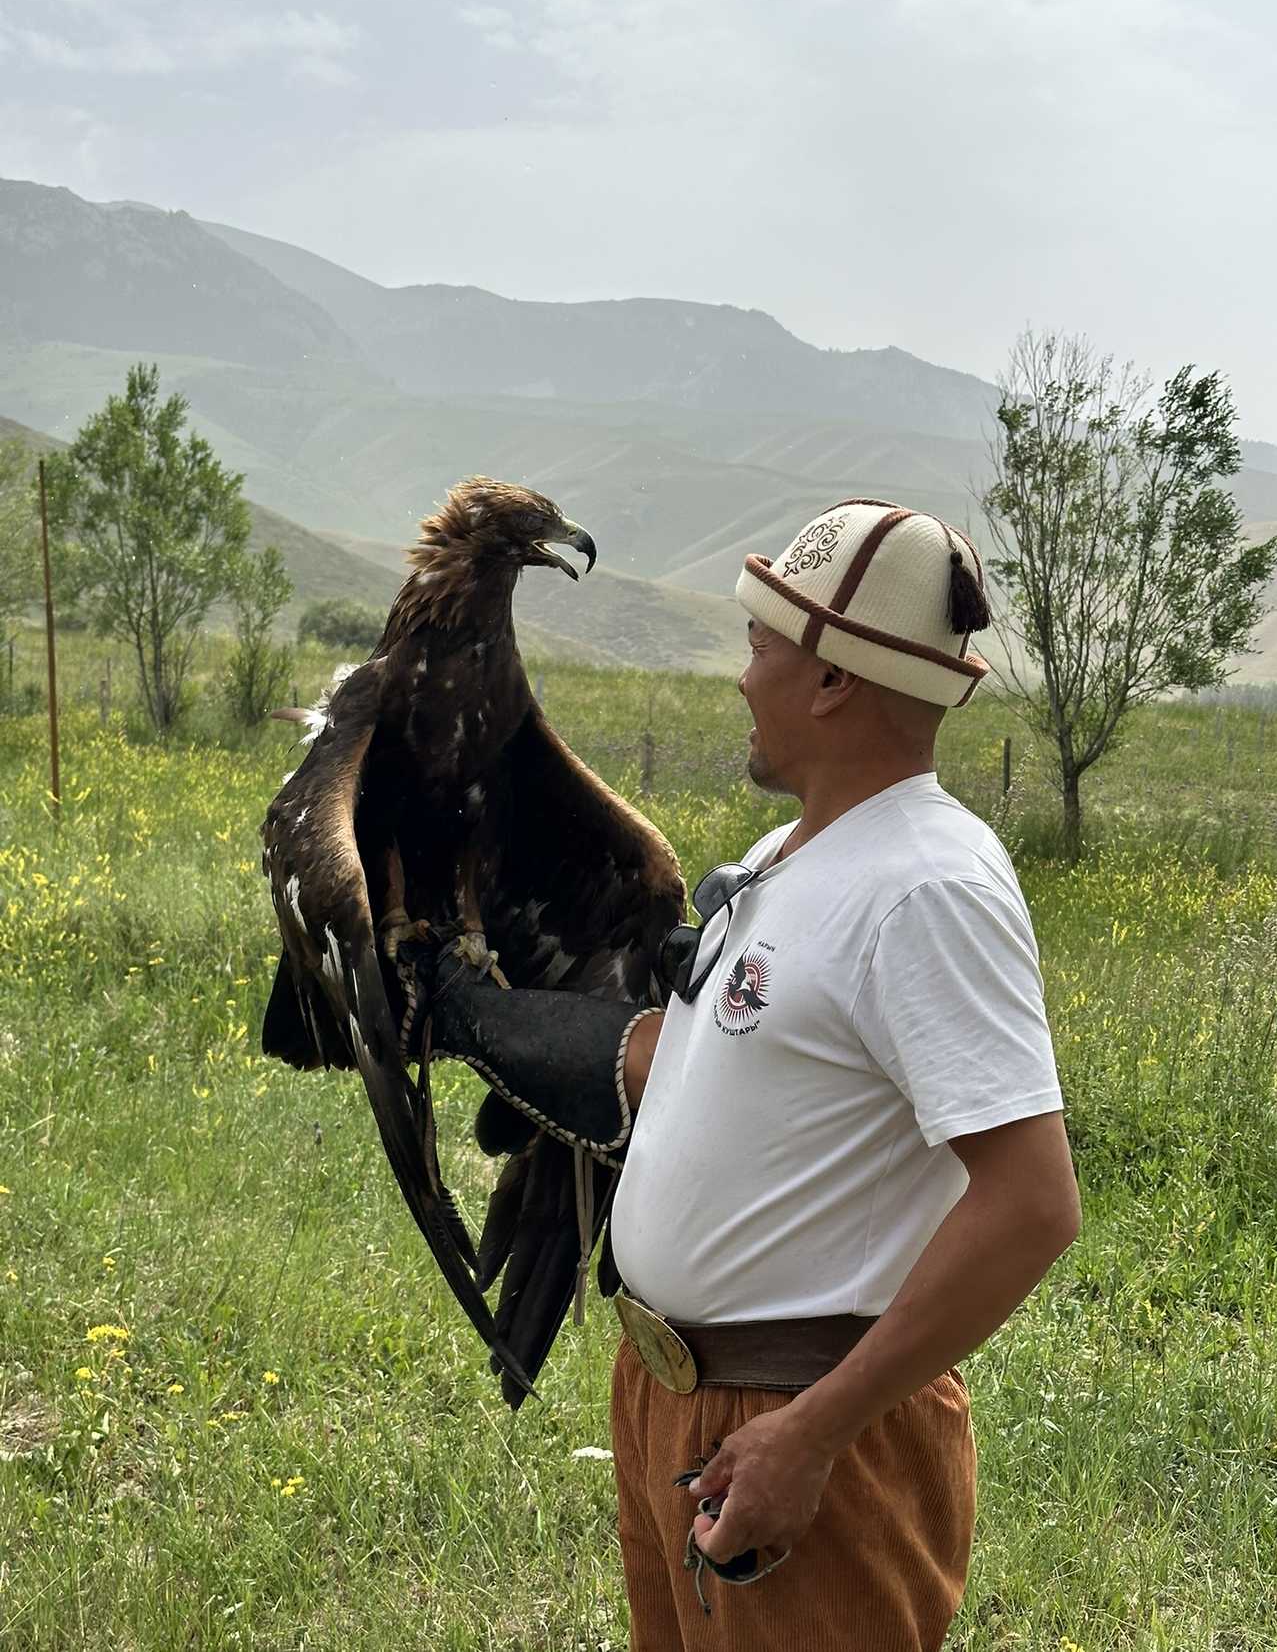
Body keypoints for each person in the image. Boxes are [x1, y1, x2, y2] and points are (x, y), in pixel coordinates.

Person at [429, 498, 1081, 1652]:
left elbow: (1030, 1204)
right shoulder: (795, 856)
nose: (740, 678)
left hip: (800, 1419)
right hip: (675, 1401)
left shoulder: (925, 889)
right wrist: (495, 1022)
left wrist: (814, 1433)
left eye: (759, 648)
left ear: (832, 683)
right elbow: (706, 1072)